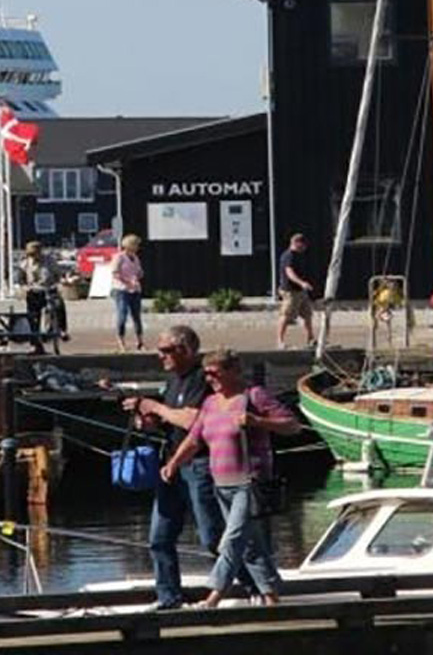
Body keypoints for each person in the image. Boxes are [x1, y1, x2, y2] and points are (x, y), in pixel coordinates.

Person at [123, 325, 251, 609]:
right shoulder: (173, 382)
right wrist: (148, 418)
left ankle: (252, 584)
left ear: (186, 350)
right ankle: (168, 598)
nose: (160, 356)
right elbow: (172, 418)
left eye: (166, 350)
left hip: (199, 465)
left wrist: (155, 407)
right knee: (159, 537)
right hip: (172, 464)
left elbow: (192, 421)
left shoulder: (199, 380)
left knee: (212, 536)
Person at [160, 347, 300, 607]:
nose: (209, 379)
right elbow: (194, 439)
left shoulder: (253, 396)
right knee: (250, 546)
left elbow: (292, 425)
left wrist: (258, 421)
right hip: (221, 484)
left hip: (250, 482)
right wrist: (174, 464)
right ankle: (271, 597)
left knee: (232, 539)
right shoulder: (210, 403)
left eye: (214, 373)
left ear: (233, 372)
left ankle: (214, 596)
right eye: (206, 374)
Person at [18, 240, 69, 344]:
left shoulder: (49, 261)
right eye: (31, 254)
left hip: (49, 289)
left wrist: (62, 281)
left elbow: (58, 275)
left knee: (59, 305)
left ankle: (62, 330)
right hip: (34, 291)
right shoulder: (24, 264)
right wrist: (24, 288)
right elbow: (20, 280)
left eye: (35, 254)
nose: (33, 257)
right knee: (32, 314)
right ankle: (34, 336)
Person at [275, 232, 316, 349]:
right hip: (290, 291)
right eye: (303, 245)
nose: (304, 248)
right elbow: (289, 273)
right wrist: (302, 283)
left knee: (307, 314)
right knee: (286, 315)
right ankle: (280, 341)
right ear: (296, 243)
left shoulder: (299, 255)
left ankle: (311, 339)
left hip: (301, 291)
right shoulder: (288, 256)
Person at [109, 234, 145, 352]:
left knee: (136, 316)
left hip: (135, 289)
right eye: (136, 245)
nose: (138, 247)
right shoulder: (119, 257)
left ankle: (140, 341)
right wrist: (127, 281)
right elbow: (115, 273)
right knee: (122, 315)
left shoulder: (135, 257)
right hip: (121, 290)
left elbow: (139, 271)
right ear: (130, 245)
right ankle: (121, 342)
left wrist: (139, 275)